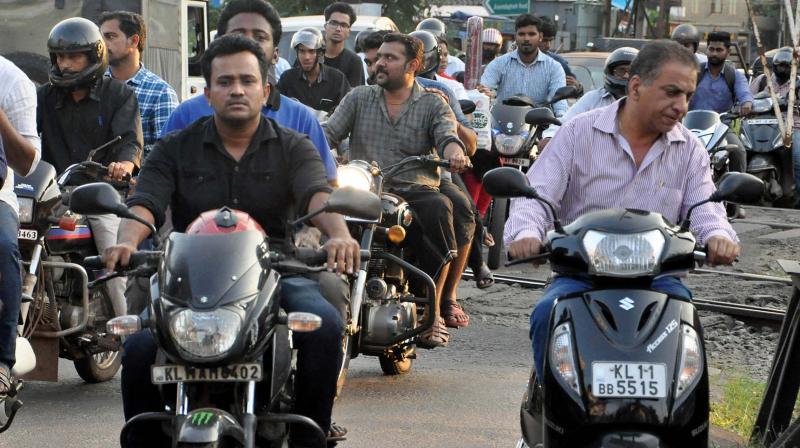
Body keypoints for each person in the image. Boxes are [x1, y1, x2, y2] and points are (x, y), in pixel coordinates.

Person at [105, 34, 358, 447]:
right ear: (207, 93)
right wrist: (126, 242)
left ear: (266, 89)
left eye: (246, 80)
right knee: (138, 347)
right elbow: (145, 201)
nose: (236, 89)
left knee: (325, 325)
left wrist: (340, 236)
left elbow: (318, 194)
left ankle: (309, 434)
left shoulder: (293, 146)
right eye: (224, 82)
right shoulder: (175, 147)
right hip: (190, 279)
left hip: (277, 269)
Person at [504, 40, 740, 379]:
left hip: (658, 281)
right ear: (635, 86)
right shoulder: (577, 133)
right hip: (581, 278)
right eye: (671, 92)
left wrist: (719, 236)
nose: (681, 106)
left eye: (687, 96)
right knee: (547, 315)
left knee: (689, 330)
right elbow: (537, 195)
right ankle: (553, 417)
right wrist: (527, 234)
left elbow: (705, 206)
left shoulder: (690, 149)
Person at [323, 33, 474, 344]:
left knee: (441, 208)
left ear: (413, 65)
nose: (380, 63)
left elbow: (447, 135)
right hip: (364, 186)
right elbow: (329, 133)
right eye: (379, 56)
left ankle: (431, 313)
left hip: (413, 188)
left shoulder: (433, 102)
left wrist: (453, 152)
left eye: (389, 58)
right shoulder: (359, 97)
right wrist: (307, 146)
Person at [161, 0, 337, 183]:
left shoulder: (300, 119)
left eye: (260, 37)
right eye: (238, 34)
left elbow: (326, 190)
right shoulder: (185, 115)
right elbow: (157, 187)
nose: (248, 43)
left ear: (276, 54)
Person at [37, 17, 143, 318]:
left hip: (100, 196)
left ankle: (128, 331)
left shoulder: (119, 95)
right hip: (53, 194)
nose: (65, 64)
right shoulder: (44, 97)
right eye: (60, 57)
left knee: (114, 257)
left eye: (74, 56)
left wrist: (123, 166)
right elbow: (25, 137)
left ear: (95, 56)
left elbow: (130, 145)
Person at [0, 55, 41, 394]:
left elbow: (26, 163)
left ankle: (2, 359)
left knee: (3, 245)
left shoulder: (11, 80)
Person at [99, 10, 179, 157]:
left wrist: (126, 165)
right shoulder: (95, 85)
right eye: (100, 37)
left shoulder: (161, 93)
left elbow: (166, 152)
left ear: (134, 41)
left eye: (110, 37)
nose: (102, 44)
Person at [540, 47, 638, 149]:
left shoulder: (647, 102)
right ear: (611, 72)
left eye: (631, 72)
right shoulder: (593, 98)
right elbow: (566, 122)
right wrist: (550, 137)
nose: (626, 76)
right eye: (621, 71)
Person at [688, 31, 751, 181]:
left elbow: (745, 94)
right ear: (706, 50)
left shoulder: (734, 75)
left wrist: (747, 104)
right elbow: (681, 92)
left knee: (738, 151)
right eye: (711, 49)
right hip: (691, 127)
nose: (714, 54)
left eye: (719, 50)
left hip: (720, 129)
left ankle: (735, 198)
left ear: (728, 52)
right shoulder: (694, 73)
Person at [479, 14, 567, 117]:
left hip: (540, 127)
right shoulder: (499, 63)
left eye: (531, 34)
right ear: (515, 36)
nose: (526, 39)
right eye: (521, 34)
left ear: (540, 37)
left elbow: (559, 104)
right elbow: (484, 87)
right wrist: (483, 93)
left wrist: (561, 119)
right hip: (503, 125)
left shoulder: (554, 68)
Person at [750, 47, 800, 207]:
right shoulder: (763, 81)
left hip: (793, 127)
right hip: (763, 124)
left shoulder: (797, 84)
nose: (782, 69)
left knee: (797, 157)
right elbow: (747, 98)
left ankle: (797, 196)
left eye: (787, 66)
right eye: (779, 65)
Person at [278, 27, 350, 114]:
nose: (306, 57)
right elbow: (278, 109)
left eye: (311, 51)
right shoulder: (287, 79)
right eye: (302, 51)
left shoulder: (338, 79)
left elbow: (347, 112)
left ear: (320, 53)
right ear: (297, 53)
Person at [322, 2, 365, 87]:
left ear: (349, 31)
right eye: (334, 23)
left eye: (343, 25)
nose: (338, 29)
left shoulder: (354, 61)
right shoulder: (310, 55)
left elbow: (355, 95)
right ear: (325, 26)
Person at [538, 16, 583, 96]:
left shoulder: (558, 63)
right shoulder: (511, 62)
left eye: (550, 40)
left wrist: (577, 87)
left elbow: (574, 94)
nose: (548, 45)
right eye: (544, 40)